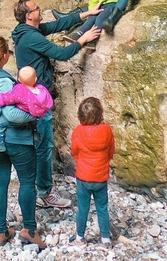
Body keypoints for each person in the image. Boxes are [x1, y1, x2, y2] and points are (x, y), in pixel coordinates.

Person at [11, 0, 102, 208]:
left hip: (31, 95)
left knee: (39, 143)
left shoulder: (27, 31)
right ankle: (44, 193)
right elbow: (61, 54)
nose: (40, 9)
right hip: (38, 100)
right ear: (29, 15)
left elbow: (57, 24)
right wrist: (83, 39)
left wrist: (85, 13)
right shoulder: (31, 38)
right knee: (44, 146)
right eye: (36, 8)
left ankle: (36, 185)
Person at [0, 37, 47, 248]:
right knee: (26, 181)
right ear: (5, 56)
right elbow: (12, 114)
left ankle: (2, 231)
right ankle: (29, 230)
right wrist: (35, 115)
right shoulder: (4, 82)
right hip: (14, 137)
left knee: (0, 180)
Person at [70, 97, 115, 245]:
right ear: (100, 114)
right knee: (102, 207)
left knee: (83, 208)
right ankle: (105, 237)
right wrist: (104, 162)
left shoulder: (78, 131)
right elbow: (111, 151)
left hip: (83, 176)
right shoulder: (107, 130)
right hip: (101, 177)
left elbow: (75, 151)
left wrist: (80, 162)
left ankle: (79, 236)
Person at [0, 66, 54, 153]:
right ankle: (35, 136)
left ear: (19, 79)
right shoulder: (42, 90)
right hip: (37, 115)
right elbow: (50, 102)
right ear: (35, 79)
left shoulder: (20, 90)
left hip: (23, 114)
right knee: (34, 123)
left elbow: (7, 98)